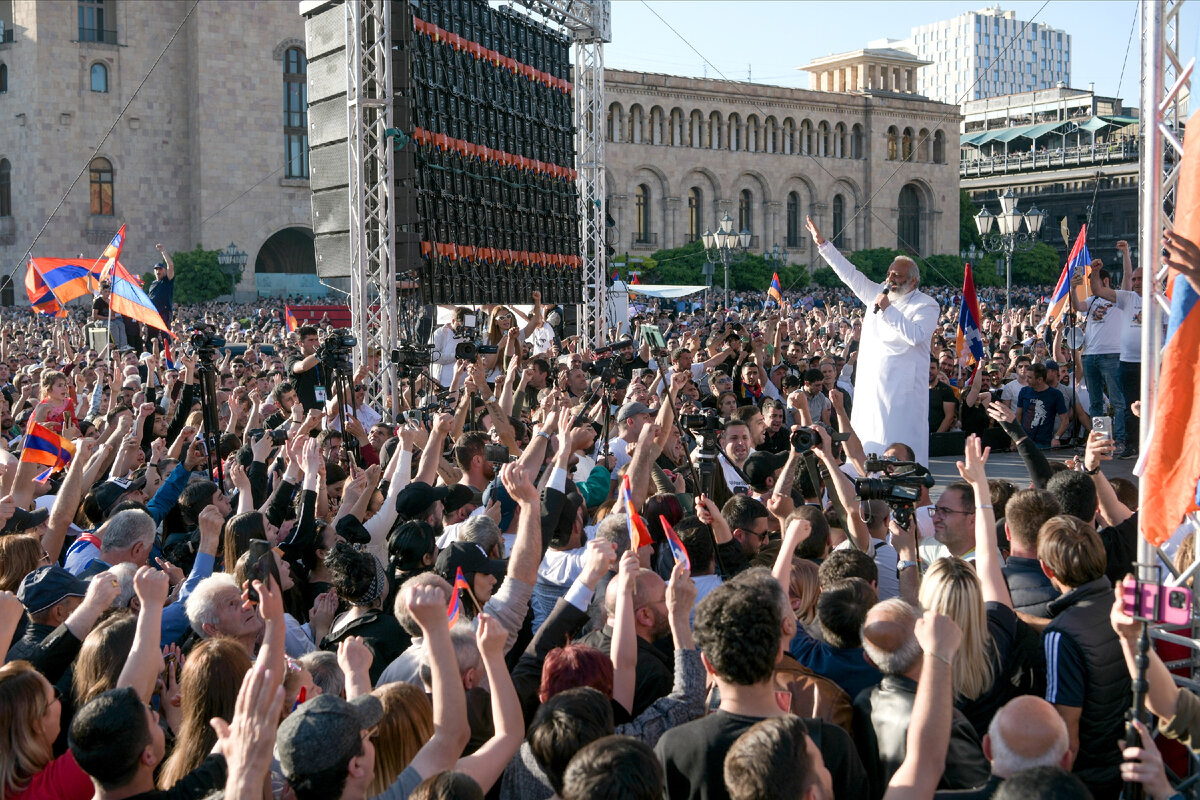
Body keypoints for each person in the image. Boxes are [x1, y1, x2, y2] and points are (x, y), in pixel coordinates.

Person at [806, 216, 939, 466]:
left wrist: (888, 309)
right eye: (890, 273)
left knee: (900, 449)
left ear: (913, 281)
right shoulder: (879, 292)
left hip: (903, 394)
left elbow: (916, 336)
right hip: (871, 388)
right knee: (868, 444)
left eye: (897, 275)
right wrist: (823, 245)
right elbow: (851, 276)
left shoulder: (926, 305)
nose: (890, 278)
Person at [854, 598, 989, 796]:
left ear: (870, 661)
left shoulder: (864, 702)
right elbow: (982, 790)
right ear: (924, 645)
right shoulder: (945, 725)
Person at [1039, 515, 1129, 799]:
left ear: (1046, 569)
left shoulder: (1060, 636)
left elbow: (1066, 734)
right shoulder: (1122, 608)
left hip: (1085, 781)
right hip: (1124, 765)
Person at [1071, 265, 1128, 456]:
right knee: (1096, 402)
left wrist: (1126, 255)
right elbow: (1078, 307)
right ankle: (1100, 441)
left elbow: (1127, 277)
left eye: (1094, 282)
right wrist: (1072, 289)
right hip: (1089, 355)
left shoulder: (1119, 298)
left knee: (1117, 401)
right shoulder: (1093, 299)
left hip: (1112, 354)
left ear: (1105, 282)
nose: (1092, 287)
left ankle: (1119, 440)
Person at [1015, 364, 1068, 449]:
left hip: (1044, 443)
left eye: (1029, 378)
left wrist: (1056, 437)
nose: (1026, 380)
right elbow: (1018, 416)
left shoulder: (1055, 394)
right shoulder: (1024, 391)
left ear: (1039, 380)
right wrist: (1015, 438)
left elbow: (1065, 420)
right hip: (1025, 441)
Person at [146, 244, 175, 342]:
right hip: (153, 313)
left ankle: (166, 354)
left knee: (164, 336)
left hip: (164, 312)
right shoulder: (153, 284)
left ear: (165, 271)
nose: (158, 271)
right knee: (152, 337)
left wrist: (163, 251)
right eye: (156, 269)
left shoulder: (167, 280)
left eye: (160, 269)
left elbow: (170, 265)